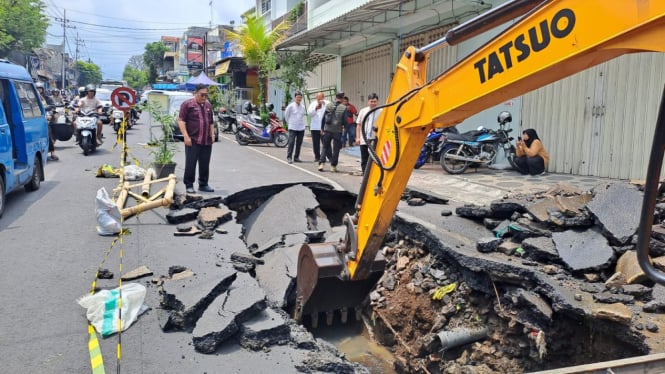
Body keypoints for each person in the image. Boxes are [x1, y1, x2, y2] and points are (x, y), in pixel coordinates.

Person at [177, 84, 216, 193]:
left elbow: (211, 122)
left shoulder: (208, 105)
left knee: (205, 163)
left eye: (206, 95)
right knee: (191, 163)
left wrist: (212, 135)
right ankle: (189, 184)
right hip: (192, 140)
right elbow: (181, 121)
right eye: (202, 95)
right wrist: (186, 136)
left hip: (206, 140)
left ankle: (203, 184)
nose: (204, 97)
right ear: (195, 93)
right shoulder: (187, 104)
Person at [319, 92, 348, 173]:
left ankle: (321, 164)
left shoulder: (329, 105)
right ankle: (333, 166)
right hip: (337, 131)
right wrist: (345, 133)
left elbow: (323, 118)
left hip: (327, 130)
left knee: (325, 147)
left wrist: (322, 128)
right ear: (342, 99)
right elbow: (345, 121)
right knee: (336, 149)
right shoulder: (344, 108)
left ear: (335, 98)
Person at [355, 93, 381, 173]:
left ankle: (372, 175)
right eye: (371, 101)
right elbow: (358, 125)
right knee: (364, 157)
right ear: (368, 102)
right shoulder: (363, 111)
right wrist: (358, 137)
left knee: (374, 158)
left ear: (377, 102)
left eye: (375, 101)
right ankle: (364, 174)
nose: (373, 103)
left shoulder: (381, 111)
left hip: (375, 139)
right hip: (364, 138)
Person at [37, 83, 58, 161]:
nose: (39, 90)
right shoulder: (32, 98)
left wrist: (45, 108)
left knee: (48, 133)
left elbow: (52, 105)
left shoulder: (47, 98)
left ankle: (52, 153)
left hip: (45, 117)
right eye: (37, 88)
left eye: (40, 88)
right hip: (34, 118)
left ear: (43, 89)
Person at [283, 92, 306, 164]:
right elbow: (286, 116)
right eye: (297, 97)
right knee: (291, 142)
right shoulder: (291, 106)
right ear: (295, 98)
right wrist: (289, 123)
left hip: (301, 127)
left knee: (299, 143)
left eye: (300, 97)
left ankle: (296, 157)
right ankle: (289, 157)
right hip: (293, 127)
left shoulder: (303, 107)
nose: (299, 99)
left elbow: (302, 117)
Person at [307, 91, 329, 163]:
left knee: (325, 143)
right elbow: (309, 113)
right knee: (316, 143)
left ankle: (324, 157)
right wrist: (316, 108)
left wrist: (324, 104)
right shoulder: (313, 104)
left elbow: (331, 110)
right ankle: (317, 157)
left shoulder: (327, 103)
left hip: (324, 127)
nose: (319, 100)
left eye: (320, 98)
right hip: (315, 127)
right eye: (318, 98)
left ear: (323, 97)